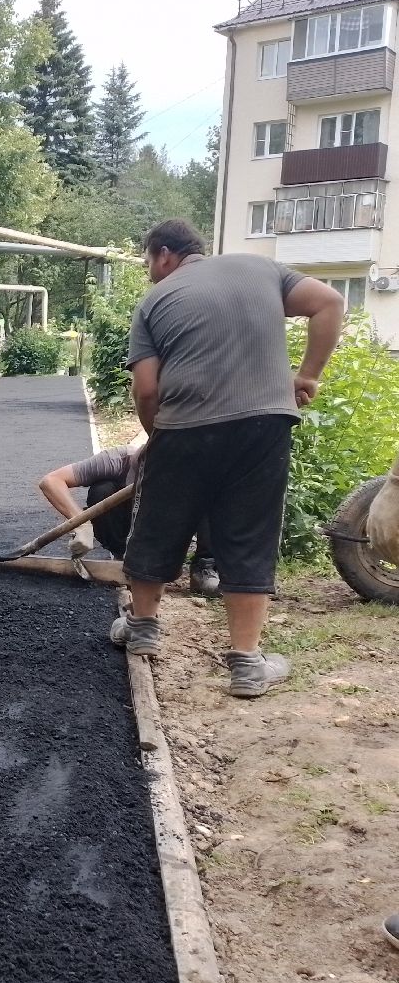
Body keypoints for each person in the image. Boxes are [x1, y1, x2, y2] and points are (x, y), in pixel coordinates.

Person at [111, 219, 344, 698]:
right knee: (250, 534)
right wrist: (308, 376)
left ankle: (143, 630)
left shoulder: (155, 300)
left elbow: (148, 389)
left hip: (184, 426)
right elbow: (329, 303)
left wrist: (162, 439)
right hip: (263, 426)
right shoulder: (262, 269)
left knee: (158, 524)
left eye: (149, 262)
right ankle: (246, 665)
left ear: (164, 255)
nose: (152, 273)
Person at [37, 443, 221, 597]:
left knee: (212, 494)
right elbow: (51, 481)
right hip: (130, 525)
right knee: (102, 489)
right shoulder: (118, 459)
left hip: (169, 528)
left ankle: (204, 567)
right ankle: (121, 556)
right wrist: (81, 524)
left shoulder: (188, 472)